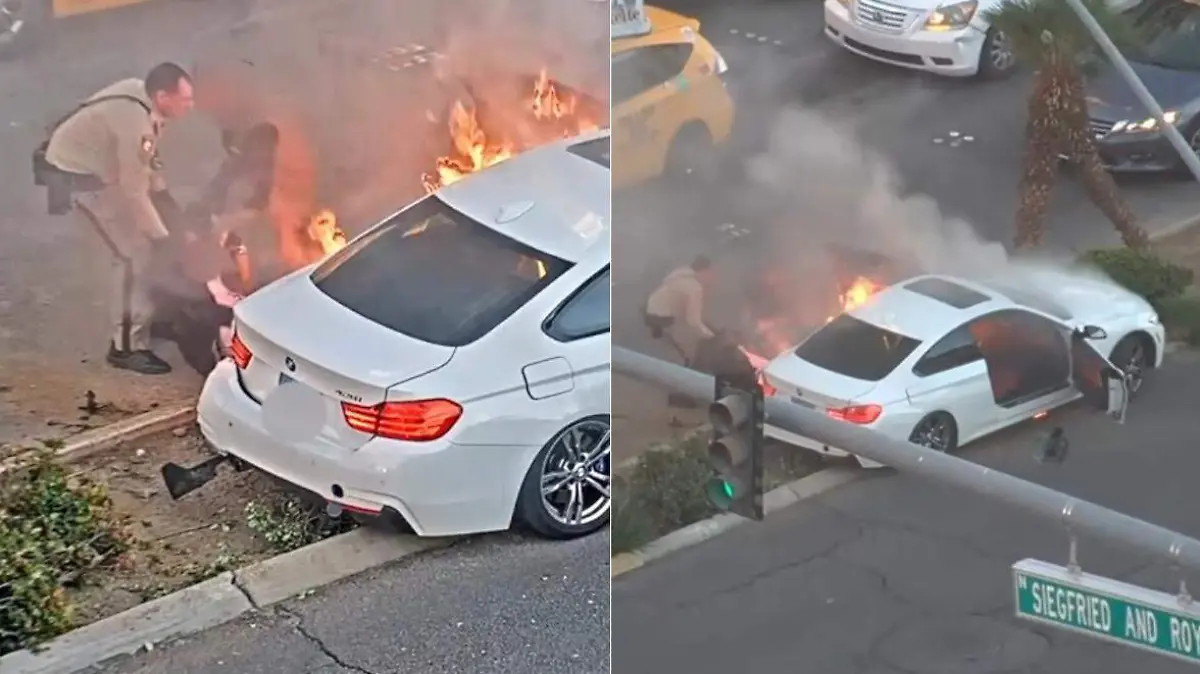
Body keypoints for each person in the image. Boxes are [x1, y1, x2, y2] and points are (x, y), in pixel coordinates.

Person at [41, 62, 195, 375]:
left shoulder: (144, 97)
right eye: (185, 99)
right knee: (131, 255)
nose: (190, 106)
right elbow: (133, 191)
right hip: (80, 180)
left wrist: (167, 204)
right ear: (163, 96)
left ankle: (152, 318)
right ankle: (126, 347)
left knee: (150, 241)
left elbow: (146, 165)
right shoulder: (135, 124)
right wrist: (161, 235)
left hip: (104, 170)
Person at [191, 57, 319, 274]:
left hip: (288, 205)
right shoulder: (234, 124)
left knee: (289, 258)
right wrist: (211, 202)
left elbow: (266, 180)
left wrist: (235, 215)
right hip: (266, 207)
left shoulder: (266, 123)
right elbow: (233, 168)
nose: (201, 105)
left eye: (206, 93)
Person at [644, 255, 716, 366]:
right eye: (711, 273)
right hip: (664, 320)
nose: (712, 277)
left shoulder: (677, 276)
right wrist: (712, 337)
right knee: (681, 359)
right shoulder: (694, 288)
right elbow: (693, 322)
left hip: (649, 312)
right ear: (704, 271)